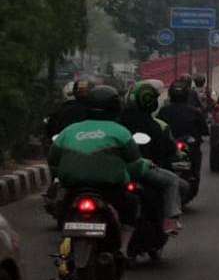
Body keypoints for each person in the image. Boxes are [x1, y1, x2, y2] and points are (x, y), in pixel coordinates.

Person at [48, 86, 177, 251]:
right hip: (109, 191)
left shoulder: (69, 131)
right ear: (116, 107)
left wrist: (64, 174)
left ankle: (64, 251)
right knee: (131, 204)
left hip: (74, 189)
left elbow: (52, 160)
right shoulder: (121, 132)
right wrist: (144, 166)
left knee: (61, 206)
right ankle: (122, 250)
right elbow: (135, 164)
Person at [119, 81, 185, 234]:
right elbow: (167, 150)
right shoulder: (156, 125)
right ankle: (170, 220)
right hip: (144, 169)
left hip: (118, 168)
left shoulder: (117, 121)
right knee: (172, 180)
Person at [158, 80, 208, 179]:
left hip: (174, 149)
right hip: (173, 149)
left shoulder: (164, 111)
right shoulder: (194, 112)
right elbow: (205, 130)